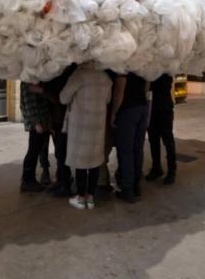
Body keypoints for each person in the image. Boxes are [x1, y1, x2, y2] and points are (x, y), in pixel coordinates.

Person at [59, 62, 113, 210]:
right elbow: (108, 100)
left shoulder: (79, 76)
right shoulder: (105, 77)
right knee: (95, 161)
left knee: (81, 162)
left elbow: (63, 98)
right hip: (98, 124)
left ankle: (81, 197)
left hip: (81, 125)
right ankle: (90, 197)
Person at [111, 72, 150, 203]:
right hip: (142, 107)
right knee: (137, 149)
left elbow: (119, 91)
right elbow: (147, 83)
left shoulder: (123, 66)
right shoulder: (140, 65)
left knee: (126, 151)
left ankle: (127, 189)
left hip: (128, 110)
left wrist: (113, 113)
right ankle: (136, 186)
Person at [43, 64, 78, 197]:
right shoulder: (63, 73)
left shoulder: (65, 75)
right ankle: (62, 180)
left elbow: (60, 100)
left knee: (62, 153)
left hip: (63, 121)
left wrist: (42, 91)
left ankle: (65, 186)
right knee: (60, 153)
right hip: (59, 120)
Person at [19, 82, 52, 192]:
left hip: (41, 123)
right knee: (33, 152)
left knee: (35, 151)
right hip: (37, 125)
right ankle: (28, 181)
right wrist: (37, 123)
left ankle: (29, 180)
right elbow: (30, 105)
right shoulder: (28, 83)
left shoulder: (33, 82)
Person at [146, 74, 177, 185]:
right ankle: (156, 168)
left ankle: (172, 171)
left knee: (168, 141)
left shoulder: (166, 69)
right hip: (152, 109)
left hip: (164, 109)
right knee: (153, 140)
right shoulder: (151, 69)